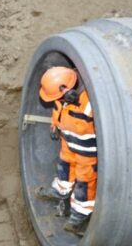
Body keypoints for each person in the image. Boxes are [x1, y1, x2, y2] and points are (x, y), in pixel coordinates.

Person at [38, 65, 97, 232]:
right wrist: (54, 125)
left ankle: (80, 215)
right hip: (68, 145)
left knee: (84, 184)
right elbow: (58, 110)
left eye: (59, 98)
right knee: (64, 169)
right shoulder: (62, 98)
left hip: (87, 153)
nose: (57, 101)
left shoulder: (90, 103)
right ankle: (60, 191)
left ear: (69, 92)